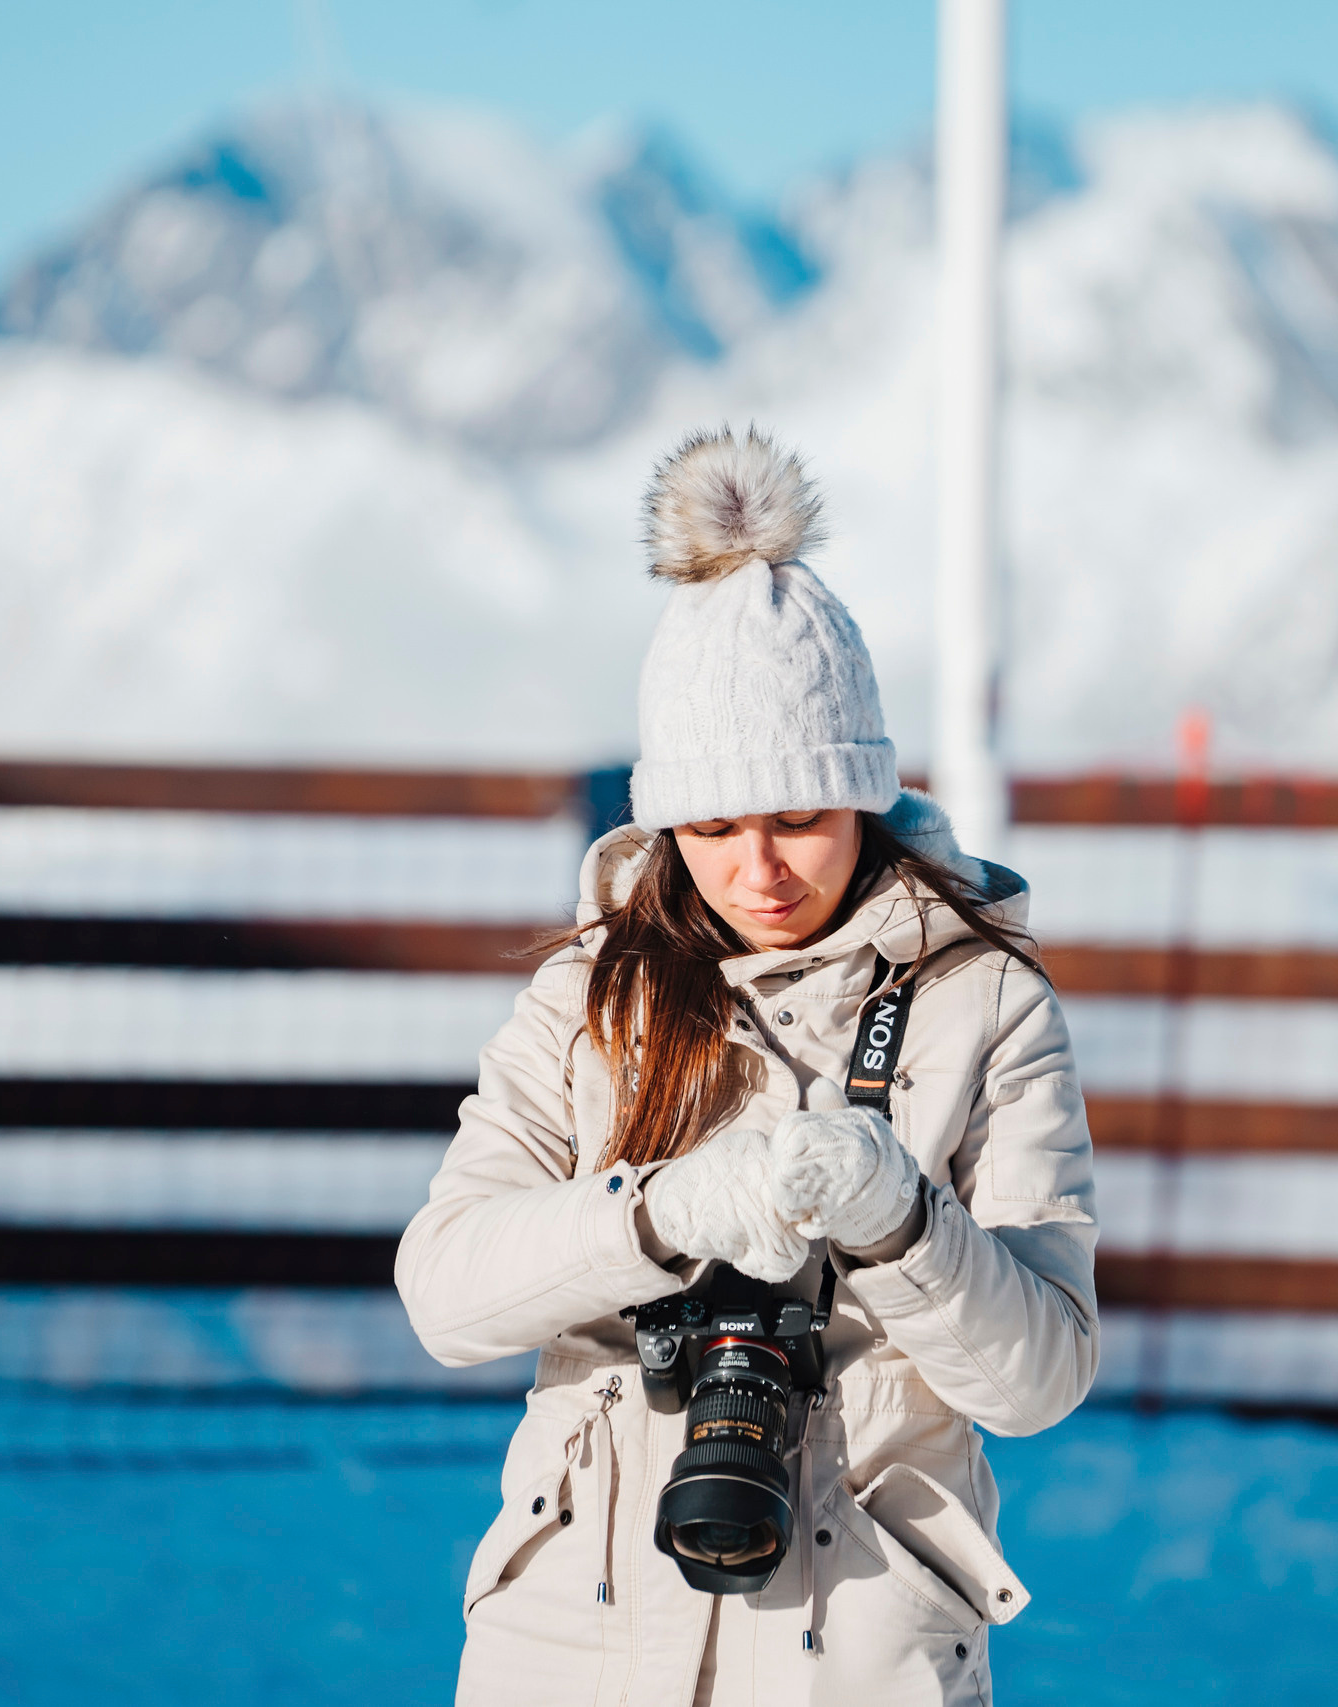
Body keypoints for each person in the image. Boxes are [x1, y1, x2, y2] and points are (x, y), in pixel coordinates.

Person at [395, 427, 1098, 1705]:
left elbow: (1038, 1379)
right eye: (713, 827)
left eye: (799, 819)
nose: (758, 871)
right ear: (665, 822)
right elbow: (443, 1296)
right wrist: (658, 1217)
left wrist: (902, 1223)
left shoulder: (982, 1001)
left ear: (865, 799)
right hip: (571, 1648)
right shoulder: (589, 999)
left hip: (864, 1651)